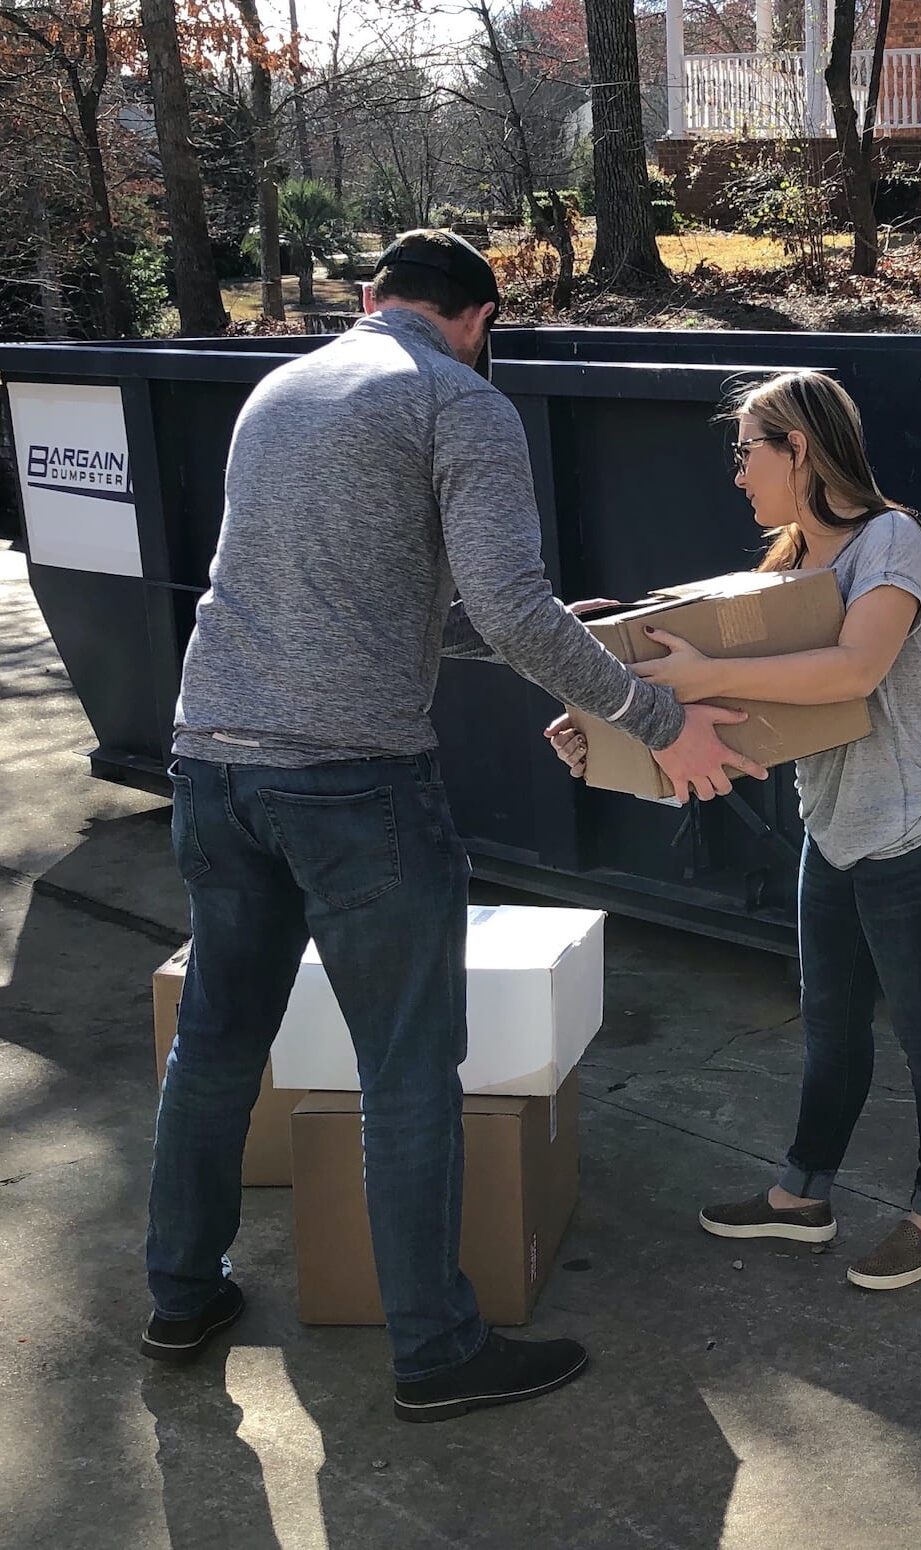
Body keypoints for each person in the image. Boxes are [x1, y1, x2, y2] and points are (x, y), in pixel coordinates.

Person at [143, 228, 765, 1424]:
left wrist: (533, 629)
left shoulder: (277, 388)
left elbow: (362, 604)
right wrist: (653, 713)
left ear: (372, 298)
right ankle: (434, 1349)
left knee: (219, 1038)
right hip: (353, 787)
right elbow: (505, 600)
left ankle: (180, 1292)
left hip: (212, 762)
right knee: (409, 1068)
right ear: (479, 320)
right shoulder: (457, 399)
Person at [546, 370, 921, 1291]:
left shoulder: (892, 544)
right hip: (832, 835)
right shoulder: (781, 572)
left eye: (748, 449)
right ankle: (802, 1199)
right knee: (830, 1027)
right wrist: (610, 733)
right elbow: (753, 716)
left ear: (801, 448)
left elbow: (852, 672)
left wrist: (700, 678)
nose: (739, 472)